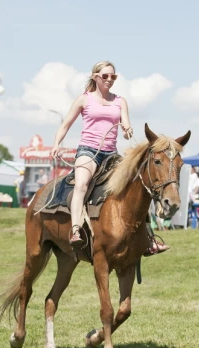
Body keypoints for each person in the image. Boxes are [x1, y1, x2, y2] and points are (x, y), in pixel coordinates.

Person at [49, 60, 134, 246]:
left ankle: (149, 237)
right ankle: (76, 229)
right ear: (95, 77)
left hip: (111, 154)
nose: (109, 79)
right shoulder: (84, 99)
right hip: (88, 150)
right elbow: (65, 125)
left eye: (113, 76)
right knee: (81, 185)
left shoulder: (120, 101)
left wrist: (127, 130)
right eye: (105, 76)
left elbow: (126, 127)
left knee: (135, 186)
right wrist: (56, 143)